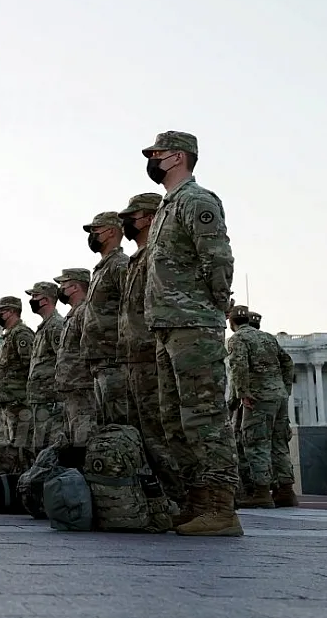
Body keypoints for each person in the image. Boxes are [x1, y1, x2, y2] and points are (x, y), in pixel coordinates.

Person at [143, 130, 240, 536]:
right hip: (169, 324)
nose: (152, 160)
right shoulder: (170, 206)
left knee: (204, 417)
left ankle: (221, 507)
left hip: (193, 323)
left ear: (178, 157)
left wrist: (212, 305)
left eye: (157, 154)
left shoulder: (197, 201)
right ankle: (198, 501)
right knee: (174, 419)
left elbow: (217, 258)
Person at [117, 193, 187, 507]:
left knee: (160, 432)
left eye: (131, 216)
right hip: (133, 356)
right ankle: (165, 498)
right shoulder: (136, 259)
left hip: (149, 353)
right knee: (143, 434)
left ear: (146, 217)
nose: (125, 223)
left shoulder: (155, 255)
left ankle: (182, 496)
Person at [227, 305, 296, 508]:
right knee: (279, 443)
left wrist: (242, 393)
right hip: (279, 397)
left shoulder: (238, 339)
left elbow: (238, 365)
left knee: (256, 443)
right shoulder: (267, 337)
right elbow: (288, 362)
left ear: (232, 322)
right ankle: (286, 490)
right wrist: (284, 388)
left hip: (258, 398)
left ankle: (261, 492)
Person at [81, 212, 130, 426]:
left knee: (118, 423)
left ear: (111, 232)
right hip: (101, 360)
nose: (91, 236)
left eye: (95, 230)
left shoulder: (119, 265)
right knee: (105, 423)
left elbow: (132, 307)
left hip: (114, 358)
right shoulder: (103, 268)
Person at [54, 268, 94, 453]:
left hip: (82, 386)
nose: (60, 289)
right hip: (70, 388)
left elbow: (90, 347)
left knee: (84, 440)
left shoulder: (85, 311)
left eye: (63, 285)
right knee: (73, 440)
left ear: (76, 287)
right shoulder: (72, 314)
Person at [0, 296, 35, 454]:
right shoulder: (9, 335)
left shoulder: (21, 334)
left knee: (21, 445)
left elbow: (30, 364)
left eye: (1, 311)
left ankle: (26, 474)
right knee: (13, 445)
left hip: (18, 400)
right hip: (9, 401)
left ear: (11, 312)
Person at [25, 281, 66, 453]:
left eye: (35, 296)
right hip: (41, 399)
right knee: (40, 446)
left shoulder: (56, 325)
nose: (32, 300)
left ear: (47, 299)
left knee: (51, 447)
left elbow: (63, 359)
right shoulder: (44, 327)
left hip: (51, 399)